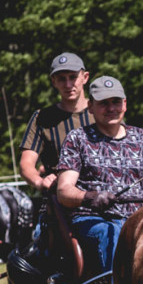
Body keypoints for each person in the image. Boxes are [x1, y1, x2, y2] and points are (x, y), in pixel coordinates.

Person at [56, 76, 143, 274]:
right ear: (91, 107)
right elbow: (64, 191)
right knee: (114, 232)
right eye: (104, 103)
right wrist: (90, 197)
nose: (111, 108)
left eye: (116, 102)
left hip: (140, 219)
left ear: (125, 104)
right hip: (93, 220)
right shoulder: (77, 138)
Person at [19, 52, 93, 192]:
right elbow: (26, 164)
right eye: (61, 79)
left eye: (73, 77)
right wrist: (40, 182)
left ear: (85, 77)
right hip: (59, 197)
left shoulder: (104, 112)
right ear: (54, 81)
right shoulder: (42, 117)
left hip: (103, 192)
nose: (68, 84)